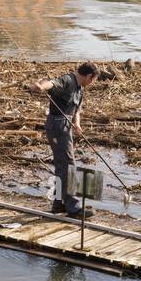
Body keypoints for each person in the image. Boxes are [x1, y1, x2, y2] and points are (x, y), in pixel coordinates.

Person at [26, 62, 100, 217]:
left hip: (66, 125)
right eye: (93, 80)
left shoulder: (80, 88)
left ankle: (59, 203)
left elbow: (76, 109)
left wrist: (77, 124)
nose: (92, 83)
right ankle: (74, 206)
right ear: (88, 76)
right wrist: (40, 87)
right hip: (57, 125)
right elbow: (51, 83)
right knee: (68, 165)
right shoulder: (67, 80)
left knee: (61, 166)